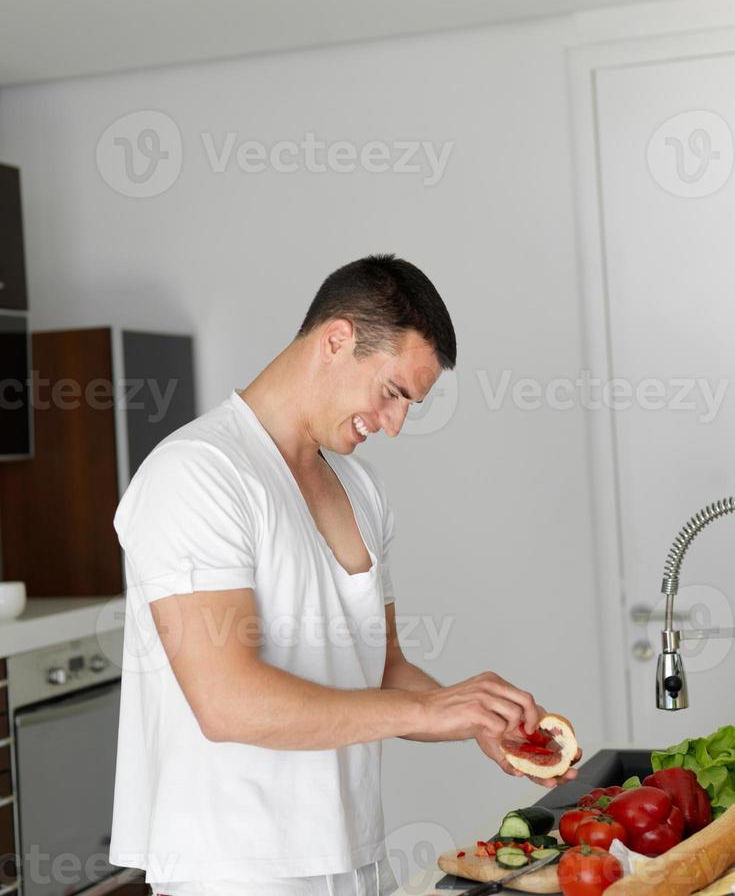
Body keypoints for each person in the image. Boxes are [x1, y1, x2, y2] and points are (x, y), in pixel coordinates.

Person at [109, 254, 580, 896]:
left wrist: (475, 717)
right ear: (337, 339)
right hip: (236, 870)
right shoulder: (198, 474)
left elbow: (380, 670)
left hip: (353, 858)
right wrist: (428, 709)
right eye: (393, 393)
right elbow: (226, 703)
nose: (394, 424)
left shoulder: (360, 487)